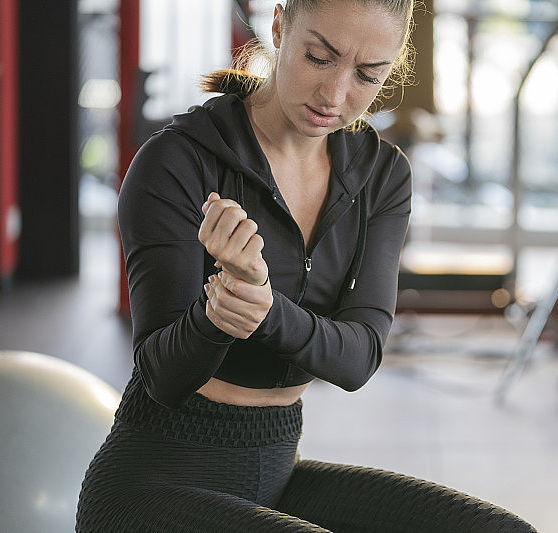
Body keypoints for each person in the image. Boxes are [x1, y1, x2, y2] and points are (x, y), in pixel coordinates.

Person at [76, 0, 415, 530]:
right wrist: (219, 313)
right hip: (151, 487)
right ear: (280, 26)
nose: (335, 95)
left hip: (275, 473)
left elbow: (358, 358)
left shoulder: (381, 174)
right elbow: (162, 376)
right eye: (318, 58)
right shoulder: (179, 160)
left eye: (368, 75)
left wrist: (262, 307)